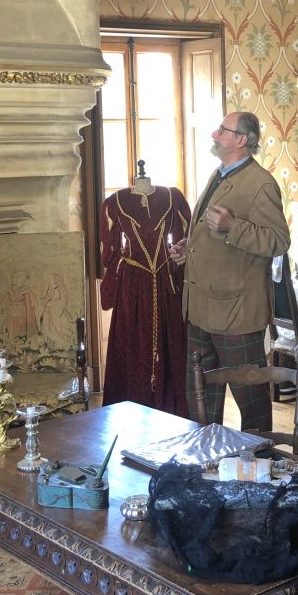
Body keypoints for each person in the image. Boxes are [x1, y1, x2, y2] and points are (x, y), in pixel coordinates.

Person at [168, 111, 290, 432]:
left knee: (251, 402)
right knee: (201, 401)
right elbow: (211, 233)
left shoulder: (261, 183)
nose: (214, 134)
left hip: (236, 313)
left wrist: (233, 226)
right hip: (200, 309)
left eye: (222, 129)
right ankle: (206, 458)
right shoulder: (219, 174)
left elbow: (278, 241)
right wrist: (189, 248)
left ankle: (261, 460)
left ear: (241, 140)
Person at [99, 169, 191, 415]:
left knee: (170, 343)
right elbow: (110, 251)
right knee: (133, 343)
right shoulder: (115, 202)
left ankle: (171, 406)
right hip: (132, 285)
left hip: (166, 281)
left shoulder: (172, 197)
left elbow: (184, 240)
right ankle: (133, 406)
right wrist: (110, 286)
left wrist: (181, 266)